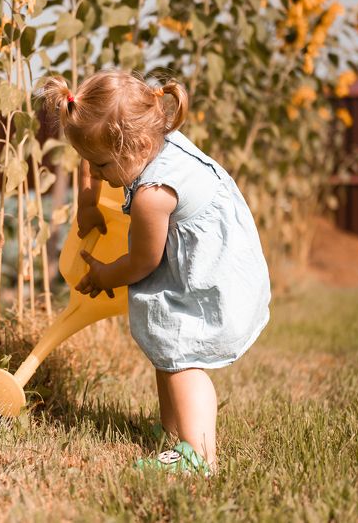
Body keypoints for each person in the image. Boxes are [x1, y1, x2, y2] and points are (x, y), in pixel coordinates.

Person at [42, 70, 271, 475]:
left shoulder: (152, 195)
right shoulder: (152, 142)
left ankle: (198, 456)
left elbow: (143, 260)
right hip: (209, 262)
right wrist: (89, 201)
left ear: (135, 147)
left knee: (183, 357)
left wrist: (104, 276)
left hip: (213, 280)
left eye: (100, 165)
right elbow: (92, 165)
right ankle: (173, 431)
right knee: (168, 342)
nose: (95, 174)